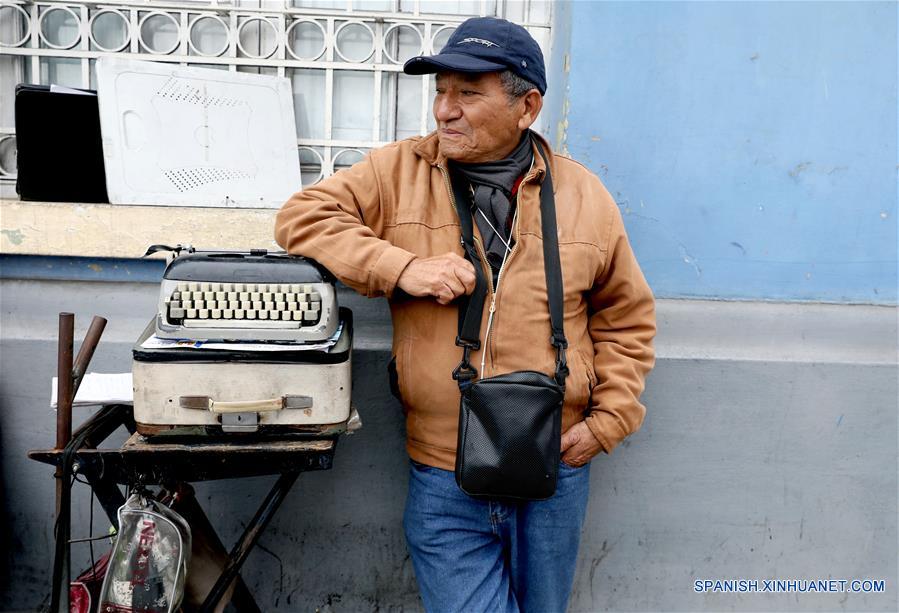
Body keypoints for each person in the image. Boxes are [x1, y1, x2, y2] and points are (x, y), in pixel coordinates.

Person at [275, 16, 656, 613]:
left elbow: (626, 320)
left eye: (467, 93)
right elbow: (302, 218)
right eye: (440, 91)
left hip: (555, 465)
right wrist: (401, 267)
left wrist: (607, 424)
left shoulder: (586, 196)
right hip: (443, 470)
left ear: (526, 106)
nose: (444, 111)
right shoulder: (396, 171)